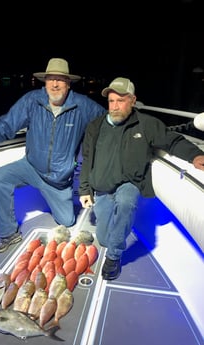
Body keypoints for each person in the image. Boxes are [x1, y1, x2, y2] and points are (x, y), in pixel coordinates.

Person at [0, 58, 106, 253]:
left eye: (60, 79)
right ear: (45, 81)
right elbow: (7, 124)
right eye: (50, 79)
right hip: (30, 166)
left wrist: (133, 125)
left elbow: (107, 125)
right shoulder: (32, 100)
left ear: (68, 83)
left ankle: (49, 195)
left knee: (67, 221)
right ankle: (9, 233)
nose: (54, 84)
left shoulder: (83, 106)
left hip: (58, 179)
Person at [79, 77, 204, 281]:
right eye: (111, 101)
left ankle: (113, 257)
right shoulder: (95, 126)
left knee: (126, 203)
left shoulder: (146, 124)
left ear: (133, 100)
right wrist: (85, 189)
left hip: (129, 182)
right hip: (102, 187)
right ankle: (114, 236)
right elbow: (87, 159)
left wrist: (194, 155)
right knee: (103, 238)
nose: (115, 106)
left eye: (121, 100)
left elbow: (172, 141)